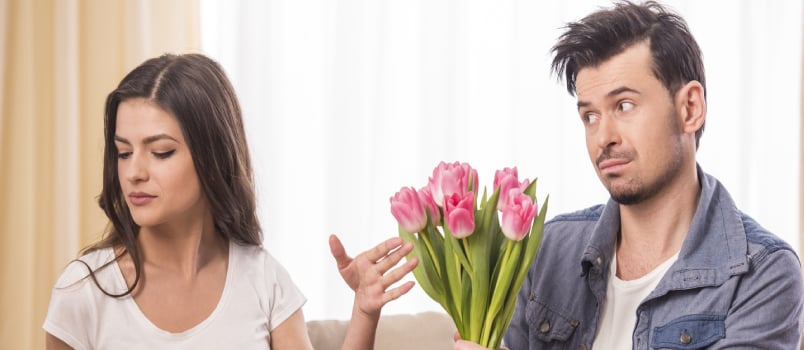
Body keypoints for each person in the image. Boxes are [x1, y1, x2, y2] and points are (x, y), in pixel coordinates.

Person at [455, 1, 804, 349]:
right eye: (590, 116)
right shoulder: (548, 250)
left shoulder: (762, 274)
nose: (603, 137)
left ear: (690, 108)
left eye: (623, 106)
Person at [43, 53, 418, 350]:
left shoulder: (263, 280)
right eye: (123, 153)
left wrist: (365, 312)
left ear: (213, 156)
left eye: (160, 152)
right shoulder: (84, 290)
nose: (133, 173)